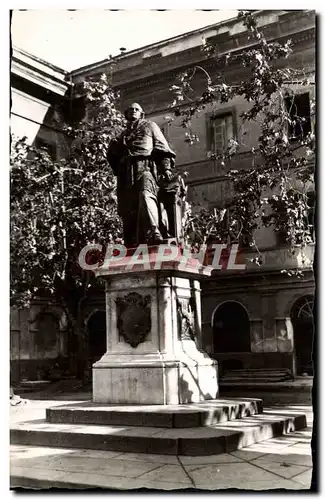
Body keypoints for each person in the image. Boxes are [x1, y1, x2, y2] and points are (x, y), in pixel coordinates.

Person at [107, 103, 177, 246]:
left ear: (141, 114)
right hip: (126, 172)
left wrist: (166, 169)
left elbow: (162, 148)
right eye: (130, 109)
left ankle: (154, 231)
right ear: (126, 115)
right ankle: (131, 241)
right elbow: (113, 158)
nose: (133, 111)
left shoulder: (150, 126)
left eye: (136, 109)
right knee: (128, 208)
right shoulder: (122, 135)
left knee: (146, 195)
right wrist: (113, 148)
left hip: (145, 167)